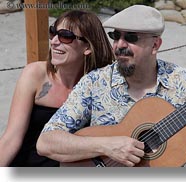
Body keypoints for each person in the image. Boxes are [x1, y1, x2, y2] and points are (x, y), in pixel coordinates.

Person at [37, 5, 186, 167]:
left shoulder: (183, 83)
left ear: (155, 45)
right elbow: (46, 142)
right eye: (115, 36)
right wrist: (106, 146)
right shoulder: (95, 82)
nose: (120, 44)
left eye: (130, 37)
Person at [0, 10, 114, 167]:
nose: (54, 41)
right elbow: (11, 138)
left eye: (65, 36)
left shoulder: (99, 85)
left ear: (87, 47)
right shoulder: (36, 74)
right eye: (52, 32)